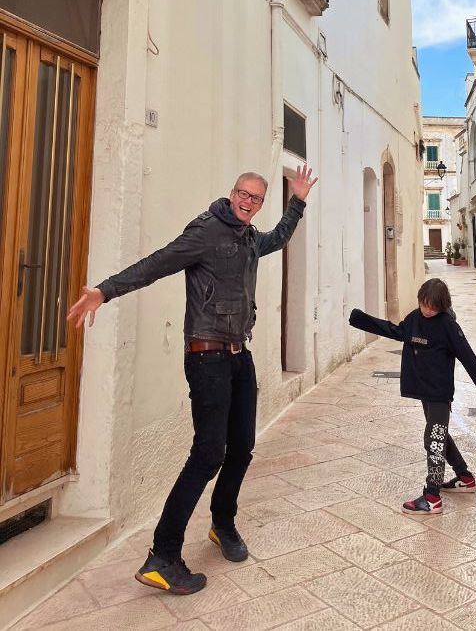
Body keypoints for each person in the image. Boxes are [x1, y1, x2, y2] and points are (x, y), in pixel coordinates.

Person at [68, 165, 317, 595]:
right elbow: (158, 263)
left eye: (255, 198)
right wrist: (103, 292)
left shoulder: (248, 238)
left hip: (240, 355)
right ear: (232, 192)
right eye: (243, 193)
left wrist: (297, 201)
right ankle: (163, 555)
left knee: (242, 447)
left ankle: (223, 522)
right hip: (207, 359)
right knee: (207, 455)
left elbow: (276, 238)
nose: (247, 201)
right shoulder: (206, 230)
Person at [349, 277, 476, 515]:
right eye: (424, 304)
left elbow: (468, 357)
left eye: (433, 306)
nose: (428, 310)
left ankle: (432, 497)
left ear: (442, 305)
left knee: (434, 440)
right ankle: (465, 478)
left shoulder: (448, 325)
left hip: (439, 393)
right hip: (424, 390)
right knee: (438, 435)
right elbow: (397, 331)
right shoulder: (414, 318)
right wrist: (361, 320)